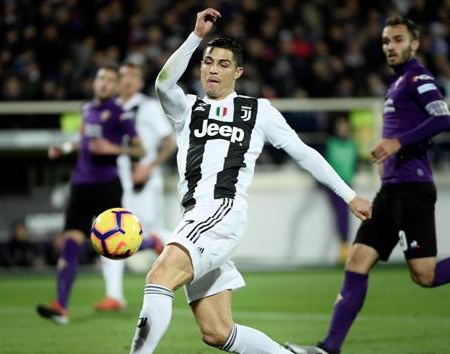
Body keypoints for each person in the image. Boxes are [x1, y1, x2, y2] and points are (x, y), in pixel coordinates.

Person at [129, 9, 371, 354]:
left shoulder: (257, 111)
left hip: (221, 210)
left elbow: (304, 153)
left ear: (238, 72)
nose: (212, 69)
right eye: (208, 62)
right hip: (195, 216)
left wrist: (350, 196)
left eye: (223, 64)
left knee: (159, 276)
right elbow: (163, 83)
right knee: (216, 331)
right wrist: (196, 36)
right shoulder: (187, 108)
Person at [285, 17, 450, 354]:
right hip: (390, 191)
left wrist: (398, 142)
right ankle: (328, 348)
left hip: (412, 190)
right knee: (357, 261)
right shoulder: (398, 82)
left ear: (414, 44)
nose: (391, 46)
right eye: (387, 41)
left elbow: (443, 116)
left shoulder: (418, 77)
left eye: (398, 40)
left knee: (424, 274)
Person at [35, 65, 145, 325]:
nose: (104, 83)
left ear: (117, 87)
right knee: (71, 242)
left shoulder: (121, 114)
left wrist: (114, 148)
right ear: (95, 83)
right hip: (81, 184)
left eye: (110, 80)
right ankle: (61, 307)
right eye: (100, 78)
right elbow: (83, 138)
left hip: (107, 184)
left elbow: (140, 151)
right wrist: (64, 148)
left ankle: (150, 240)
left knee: (118, 241)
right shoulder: (86, 109)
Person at [95, 62, 176, 311]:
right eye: (123, 76)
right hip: (116, 182)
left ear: (140, 83)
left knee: (148, 231)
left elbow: (169, 143)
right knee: (107, 232)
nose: (127, 80)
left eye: (133, 76)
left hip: (144, 182)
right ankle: (114, 295)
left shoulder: (149, 107)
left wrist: (148, 167)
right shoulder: (110, 108)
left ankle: (197, 256)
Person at [322, 116, 358, 263]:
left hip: (348, 183)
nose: (342, 129)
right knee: (341, 214)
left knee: (346, 215)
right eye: (340, 126)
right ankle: (345, 249)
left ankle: (345, 249)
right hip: (334, 185)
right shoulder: (330, 143)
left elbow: (354, 163)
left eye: (344, 126)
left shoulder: (352, 144)